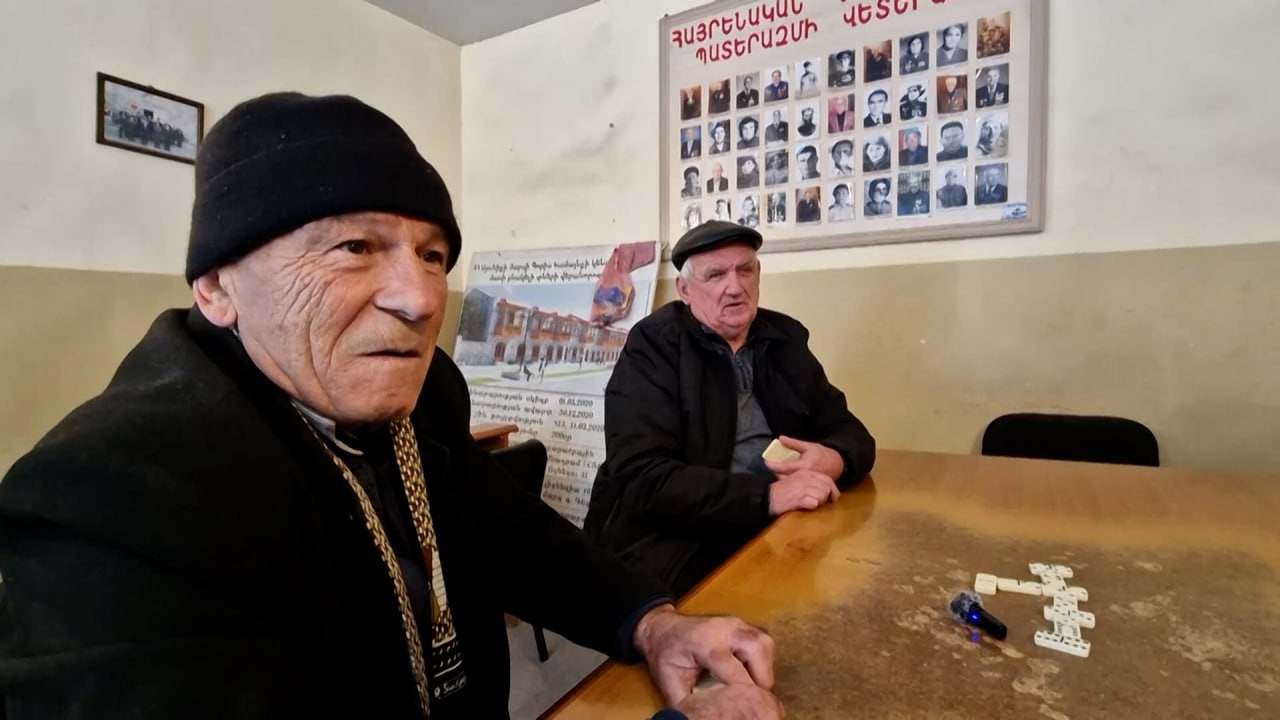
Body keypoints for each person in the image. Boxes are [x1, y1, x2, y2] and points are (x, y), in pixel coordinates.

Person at [0, 93, 784, 719]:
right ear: (216, 286)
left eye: (434, 255)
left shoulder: (426, 391)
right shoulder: (114, 504)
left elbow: (513, 534)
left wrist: (653, 622)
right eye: (355, 247)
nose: (421, 299)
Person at [585, 223, 875, 594]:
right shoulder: (653, 347)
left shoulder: (784, 338)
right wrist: (766, 497)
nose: (735, 287)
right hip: (677, 538)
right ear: (685, 290)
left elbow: (852, 433)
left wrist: (834, 459)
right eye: (716, 275)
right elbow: (644, 477)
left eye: (745, 270)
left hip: (779, 524)